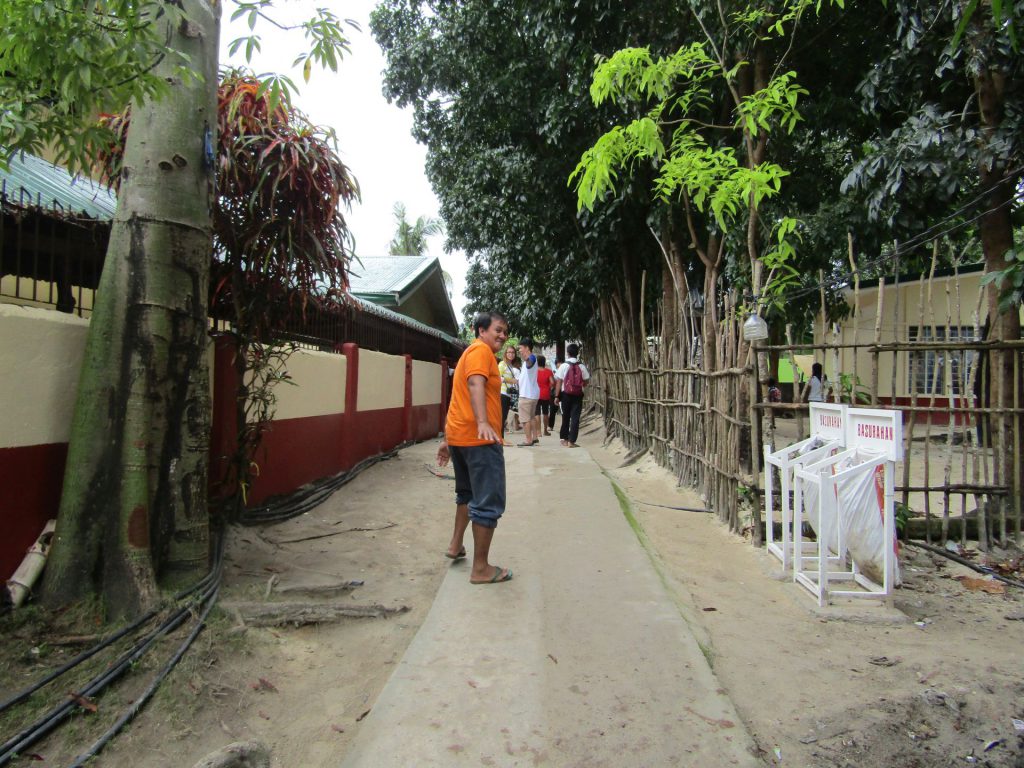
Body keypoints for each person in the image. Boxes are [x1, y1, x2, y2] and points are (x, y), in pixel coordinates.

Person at [436, 311, 514, 584]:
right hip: (479, 440)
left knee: (467, 494)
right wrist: (483, 422)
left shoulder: (468, 354)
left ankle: (455, 546)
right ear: (481, 330)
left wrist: (447, 440)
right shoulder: (481, 352)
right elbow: (474, 384)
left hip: (460, 437)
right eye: (498, 330)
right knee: (488, 501)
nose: (503, 336)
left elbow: (456, 398)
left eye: (505, 331)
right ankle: (481, 568)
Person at [554, 343, 590, 447]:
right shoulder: (581, 366)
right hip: (578, 395)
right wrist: (580, 385)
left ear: (568, 353)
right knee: (575, 418)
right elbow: (586, 381)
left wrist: (557, 396)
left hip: (566, 395)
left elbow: (559, 382)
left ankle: (564, 439)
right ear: (577, 353)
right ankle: (572, 441)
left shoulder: (564, 366)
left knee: (565, 417)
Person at [516, 337, 540, 446]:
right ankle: (534, 437)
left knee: (525, 420)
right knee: (531, 417)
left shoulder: (531, 358)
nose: (519, 350)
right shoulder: (528, 360)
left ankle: (528, 440)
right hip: (532, 394)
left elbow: (530, 362)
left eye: (520, 348)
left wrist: (526, 358)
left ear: (526, 348)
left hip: (526, 395)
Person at [497, 345, 520, 438]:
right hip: (502, 392)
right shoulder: (502, 364)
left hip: (508, 393)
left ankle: (501, 438)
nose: (511, 354)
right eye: (509, 352)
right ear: (505, 353)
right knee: (502, 416)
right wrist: (511, 381)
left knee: (504, 416)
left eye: (513, 352)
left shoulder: (510, 365)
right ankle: (500, 438)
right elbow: (498, 377)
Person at [536, 355, 555, 437]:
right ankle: (545, 430)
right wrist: (549, 387)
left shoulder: (534, 371)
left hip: (536, 393)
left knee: (537, 413)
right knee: (545, 412)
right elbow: (553, 382)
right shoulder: (548, 371)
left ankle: (538, 432)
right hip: (546, 394)